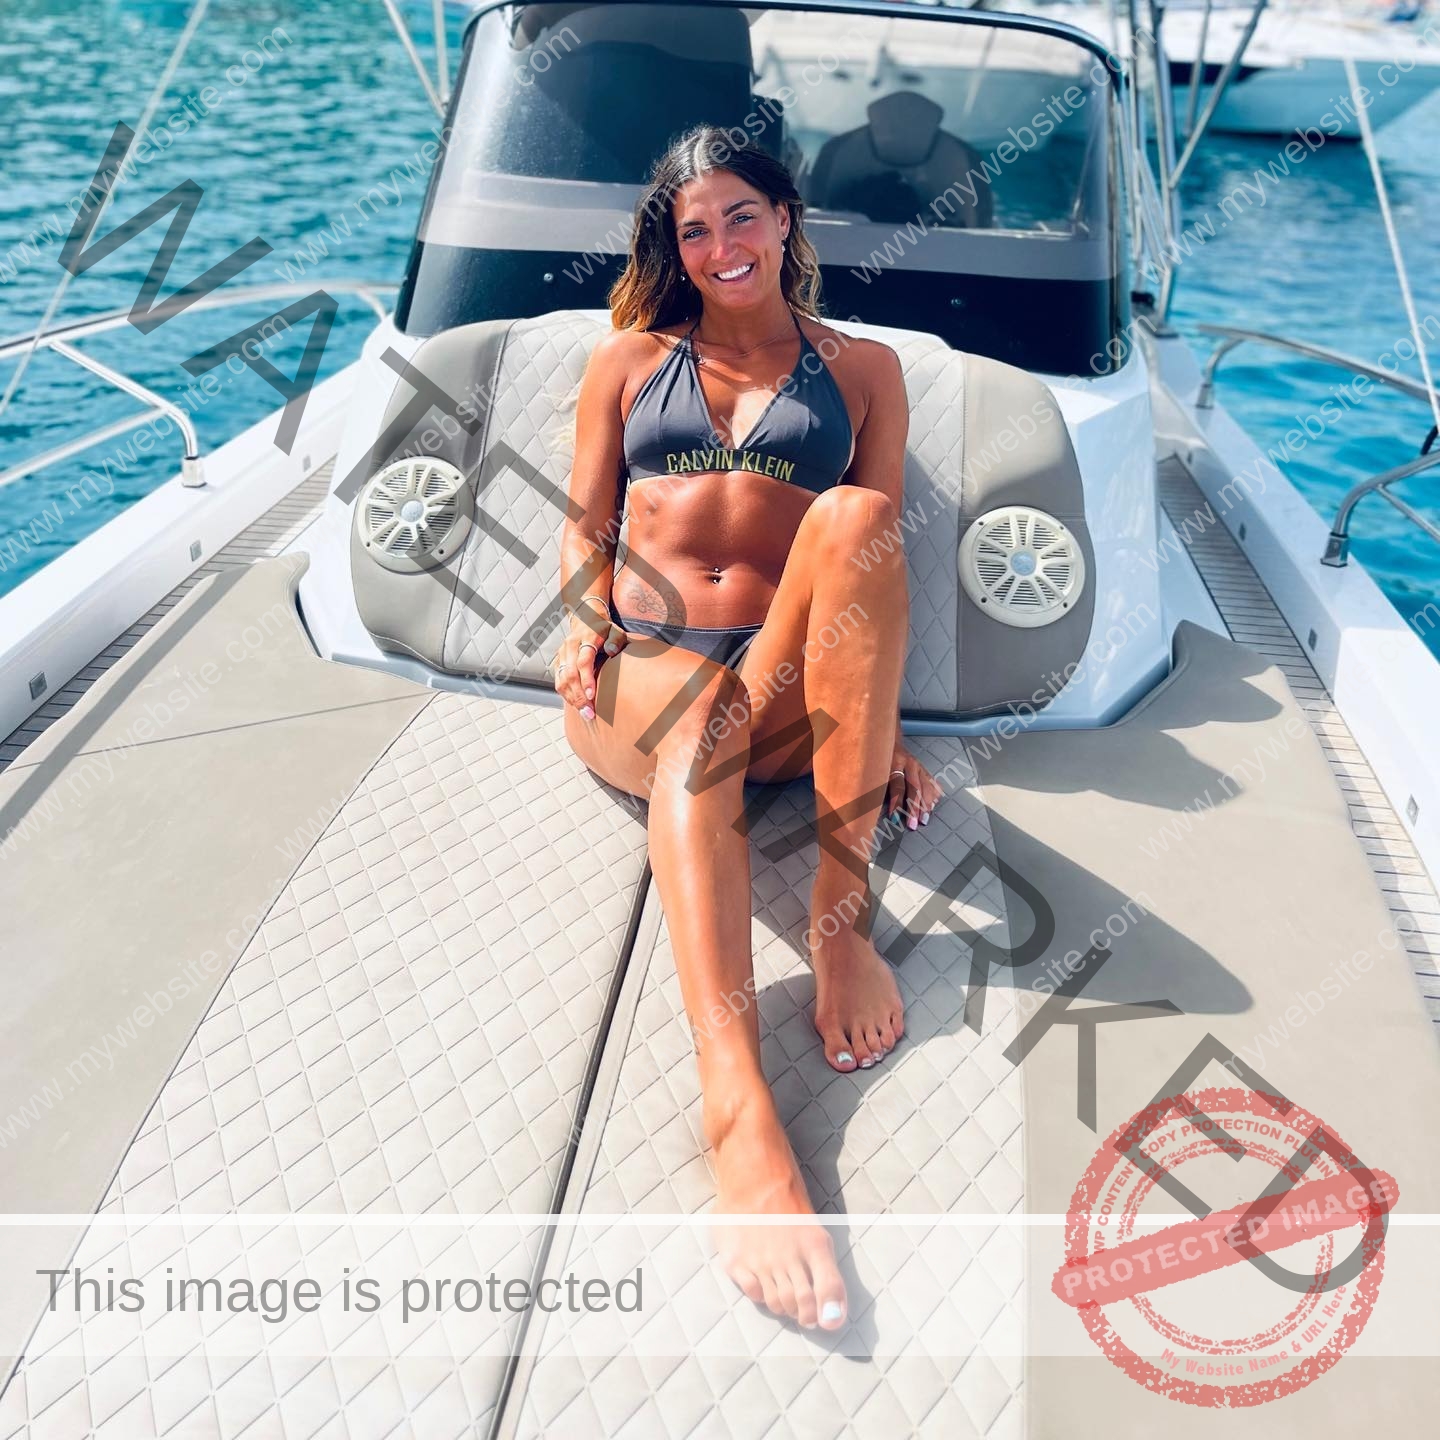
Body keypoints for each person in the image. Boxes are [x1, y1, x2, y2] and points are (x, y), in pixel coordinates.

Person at [553, 125, 942, 1332]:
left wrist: (873, 723)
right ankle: (734, 1100)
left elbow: (867, 574)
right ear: (676, 249)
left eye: (740, 216)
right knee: (694, 722)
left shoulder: (866, 370)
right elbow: (585, 525)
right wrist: (579, 614)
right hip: (646, 684)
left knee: (854, 515)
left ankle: (841, 931)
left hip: (780, 697)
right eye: (693, 229)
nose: (720, 246)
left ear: (785, 220)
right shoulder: (628, 360)